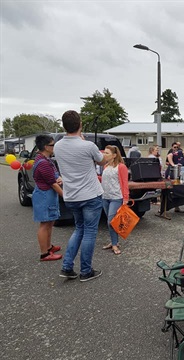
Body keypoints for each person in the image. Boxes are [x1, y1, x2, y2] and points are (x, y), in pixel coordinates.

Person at [54, 110, 106, 281]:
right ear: (80, 125)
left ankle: (67, 266)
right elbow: (102, 160)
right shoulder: (88, 146)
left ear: (64, 126)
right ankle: (86, 270)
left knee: (79, 229)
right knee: (90, 232)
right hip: (90, 195)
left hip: (71, 196)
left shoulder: (58, 146)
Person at [32, 134, 64, 261]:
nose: (54, 146)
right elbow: (52, 183)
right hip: (44, 195)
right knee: (45, 224)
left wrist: (59, 178)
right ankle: (44, 253)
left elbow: (53, 177)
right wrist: (65, 196)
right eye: (52, 145)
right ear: (46, 147)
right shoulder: (43, 163)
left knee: (50, 222)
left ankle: (49, 246)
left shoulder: (46, 159)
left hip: (48, 195)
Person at [101, 145, 129, 255]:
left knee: (111, 221)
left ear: (114, 155)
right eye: (104, 152)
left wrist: (126, 198)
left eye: (107, 153)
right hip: (105, 197)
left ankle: (114, 244)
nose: (104, 155)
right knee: (112, 222)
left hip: (116, 197)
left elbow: (124, 183)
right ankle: (114, 242)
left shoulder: (121, 167)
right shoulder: (105, 166)